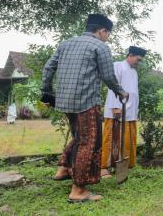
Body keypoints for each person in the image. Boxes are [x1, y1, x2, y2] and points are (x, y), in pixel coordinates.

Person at [42, 14, 127, 203]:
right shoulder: (100, 46)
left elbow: (48, 68)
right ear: (102, 31)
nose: (108, 37)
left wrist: (46, 92)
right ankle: (78, 190)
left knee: (80, 138)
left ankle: (64, 167)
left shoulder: (66, 43)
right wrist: (120, 92)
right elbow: (108, 76)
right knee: (90, 142)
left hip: (64, 101)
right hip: (86, 102)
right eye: (108, 34)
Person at [100, 46, 146, 177]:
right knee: (111, 139)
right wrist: (115, 106)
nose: (139, 62)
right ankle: (104, 167)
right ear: (130, 55)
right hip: (118, 110)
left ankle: (123, 166)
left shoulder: (134, 72)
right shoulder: (118, 66)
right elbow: (112, 86)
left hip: (130, 112)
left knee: (126, 140)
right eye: (138, 59)